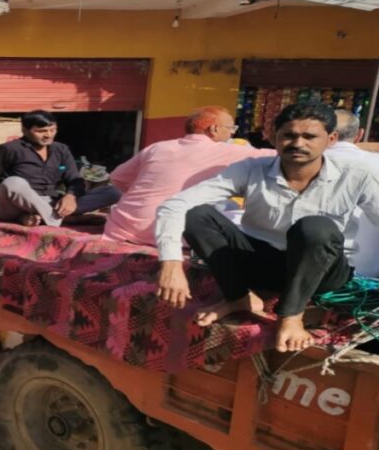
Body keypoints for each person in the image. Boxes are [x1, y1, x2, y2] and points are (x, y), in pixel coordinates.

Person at [156, 102, 379, 352]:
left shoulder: (356, 174)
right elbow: (175, 205)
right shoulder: (251, 169)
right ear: (274, 137)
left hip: (322, 271)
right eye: (289, 135)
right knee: (196, 214)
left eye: (309, 137)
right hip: (263, 264)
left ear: (331, 139)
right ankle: (239, 297)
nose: (298, 143)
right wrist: (171, 264)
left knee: (315, 227)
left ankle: (291, 315)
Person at [103, 107, 274, 246]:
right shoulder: (226, 150)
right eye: (231, 128)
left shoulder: (158, 147)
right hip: (164, 232)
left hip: (121, 227)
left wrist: (142, 199)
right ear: (214, 129)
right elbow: (275, 156)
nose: (232, 134)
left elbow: (117, 177)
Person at [0, 110, 121, 226]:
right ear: (25, 130)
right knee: (13, 182)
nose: (48, 135)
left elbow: (74, 179)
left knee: (114, 191)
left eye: (52, 130)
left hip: (50, 202)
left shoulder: (61, 149)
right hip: (12, 206)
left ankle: (39, 217)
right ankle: (60, 220)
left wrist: (71, 196)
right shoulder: (8, 149)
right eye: (41, 131)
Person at [324, 110, 379, 278]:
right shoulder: (373, 163)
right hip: (366, 271)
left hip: (302, 267)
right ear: (360, 134)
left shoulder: (296, 163)